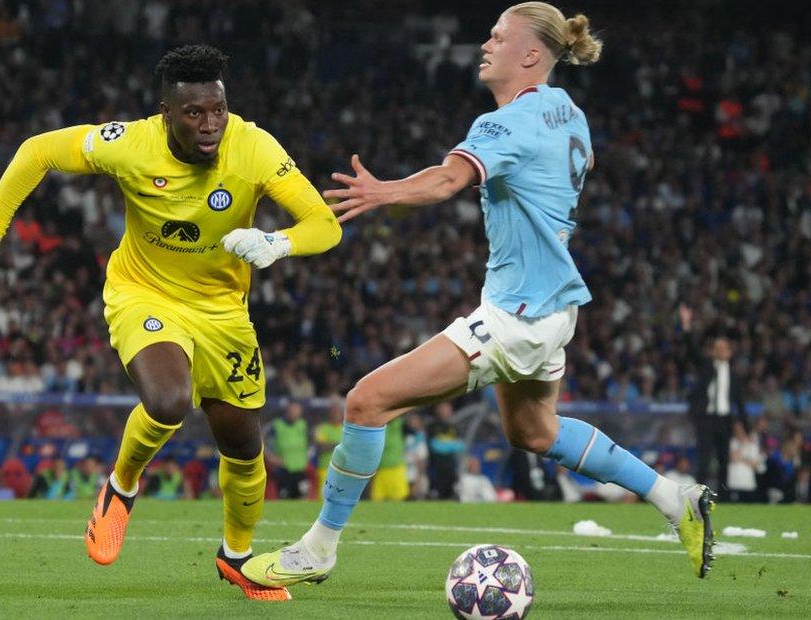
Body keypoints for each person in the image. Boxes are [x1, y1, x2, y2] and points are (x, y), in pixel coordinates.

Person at [243, 2, 714, 587]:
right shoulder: (568, 110)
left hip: (517, 314)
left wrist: (384, 192)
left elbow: (447, 179)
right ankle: (675, 498)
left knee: (366, 402)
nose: (484, 45)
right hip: (556, 309)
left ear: (531, 55)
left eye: (497, 37)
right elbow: (582, 157)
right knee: (534, 432)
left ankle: (317, 550)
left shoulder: (503, 123)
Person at [0, 44, 340, 600]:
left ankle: (237, 557)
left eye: (218, 110)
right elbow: (37, 152)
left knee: (244, 447)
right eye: (194, 113)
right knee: (169, 399)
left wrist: (279, 241)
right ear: (165, 113)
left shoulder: (254, 147)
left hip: (223, 310)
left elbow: (324, 223)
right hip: (143, 292)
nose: (210, 125)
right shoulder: (129, 144)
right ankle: (120, 488)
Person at [683, 314, 748, 493]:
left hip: (725, 420)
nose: (720, 351)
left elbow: (740, 402)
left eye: (723, 348)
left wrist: (745, 427)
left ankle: (723, 495)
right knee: (704, 457)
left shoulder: (735, 375)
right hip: (706, 418)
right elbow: (692, 351)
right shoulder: (706, 367)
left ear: (729, 351)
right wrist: (687, 326)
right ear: (712, 351)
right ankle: (698, 494)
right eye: (717, 348)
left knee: (724, 458)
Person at [270, 401, 310, 499]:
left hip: (300, 470)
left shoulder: (303, 425)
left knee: (303, 496)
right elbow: (263, 440)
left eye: (297, 411)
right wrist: (270, 456)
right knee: (284, 498)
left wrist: (308, 456)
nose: (294, 413)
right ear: (287, 411)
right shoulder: (276, 425)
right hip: (283, 469)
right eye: (292, 411)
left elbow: (311, 443)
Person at [369, 418, 409, 501]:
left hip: (395, 470)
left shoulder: (399, 425)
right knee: (377, 501)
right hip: (380, 471)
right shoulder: (376, 427)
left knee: (397, 502)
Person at [313, 397, 344, 499]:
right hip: (325, 469)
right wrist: (338, 444)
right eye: (333, 411)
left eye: (338, 411)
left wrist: (329, 444)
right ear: (329, 413)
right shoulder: (322, 428)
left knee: (340, 500)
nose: (335, 414)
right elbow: (320, 447)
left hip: (343, 471)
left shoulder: (346, 429)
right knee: (323, 500)